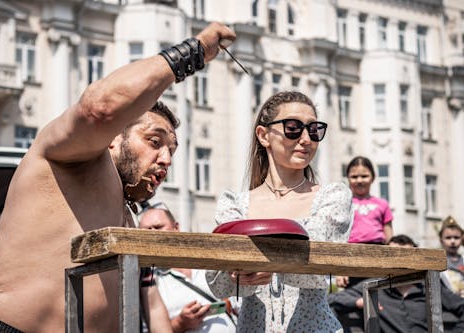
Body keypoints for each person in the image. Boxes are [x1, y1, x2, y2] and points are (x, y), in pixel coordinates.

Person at [0, 22, 236, 332]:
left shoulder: (127, 220)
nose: (165, 158)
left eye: (172, 151)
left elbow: (150, 306)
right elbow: (99, 108)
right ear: (112, 138)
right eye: (154, 141)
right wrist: (193, 52)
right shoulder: (73, 156)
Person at [205, 91, 353, 332]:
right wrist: (235, 275)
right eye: (293, 127)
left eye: (314, 129)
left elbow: (321, 262)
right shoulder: (234, 204)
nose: (306, 138)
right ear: (264, 135)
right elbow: (218, 284)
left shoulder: (333, 196)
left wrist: (263, 262)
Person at [328, 234, 464, 333]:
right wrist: (359, 302)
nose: (400, 261)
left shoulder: (429, 287)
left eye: (405, 255)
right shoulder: (374, 287)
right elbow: (332, 299)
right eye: (393, 255)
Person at [139, 203, 237, 333]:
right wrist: (180, 323)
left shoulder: (206, 261)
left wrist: (228, 303)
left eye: (158, 227)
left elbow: (240, 302)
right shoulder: (147, 278)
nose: (152, 234)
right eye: (146, 231)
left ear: (176, 228)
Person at [336, 156, 393, 289]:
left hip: (378, 256)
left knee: (380, 296)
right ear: (348, 179)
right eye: (354, 177)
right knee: (355, 297)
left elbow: (389, 237)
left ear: (373, 177)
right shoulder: (342, 204)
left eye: (364, 176)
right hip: (351, 256)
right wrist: (340, 270)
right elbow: (338, 236)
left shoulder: (382, 204)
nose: (360, 180)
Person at [439, 216, 464, 297]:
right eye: (448, 238)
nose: (453, 241)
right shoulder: (438, 263)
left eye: (456, 237)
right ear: (441, 240)